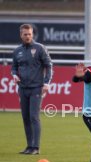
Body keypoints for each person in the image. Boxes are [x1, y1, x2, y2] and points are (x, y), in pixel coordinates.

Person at [11, 23, 53, 155]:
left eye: (30, 34)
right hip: (22, 88)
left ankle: (36, 147)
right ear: (21, 35)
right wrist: (14, 75)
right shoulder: (17, 51)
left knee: (34, 116)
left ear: (32, 34)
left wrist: (46, 83)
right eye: (25, 34)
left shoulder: (40, 48)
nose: (28, 36)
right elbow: (14, 67)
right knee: (25, 117)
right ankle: (29, 146)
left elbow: (49, 66)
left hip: (36, 88)